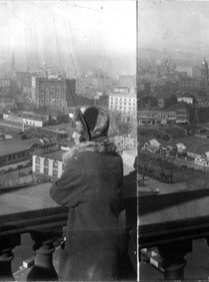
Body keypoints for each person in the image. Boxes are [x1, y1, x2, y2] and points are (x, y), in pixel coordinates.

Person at [50, 106, 130, 280]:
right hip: (109, 255)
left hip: (85, 259)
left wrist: (75, 156)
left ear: (86, 135)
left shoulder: (81, 161)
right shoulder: (116, 160)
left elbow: (56, 193)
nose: (74, 135)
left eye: (78, 131)